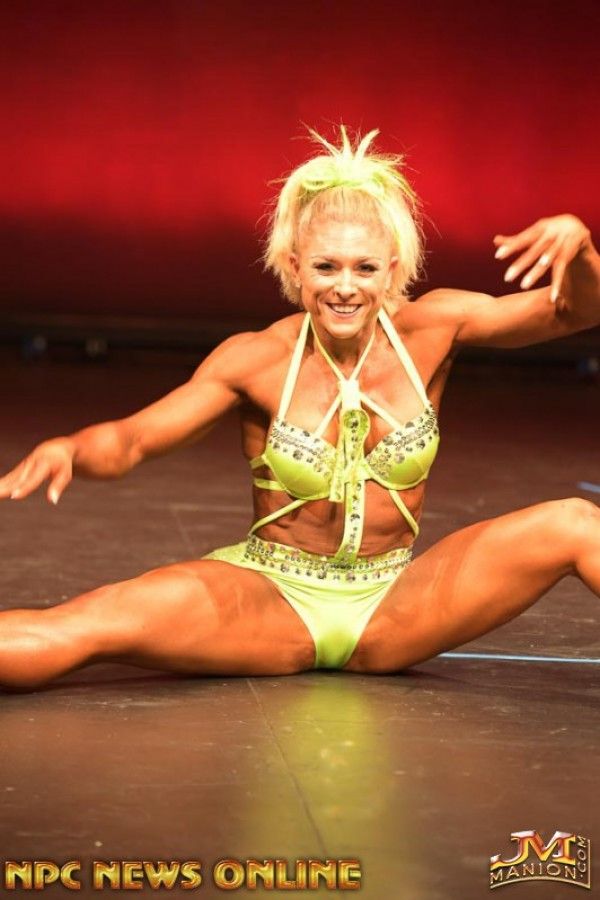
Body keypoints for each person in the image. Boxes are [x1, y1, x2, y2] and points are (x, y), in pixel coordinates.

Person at [1, 126, 599, 692]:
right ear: (295, 266)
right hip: (271, 599)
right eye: (326, 267)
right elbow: (133, 440)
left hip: (397, 605)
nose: (346, 287)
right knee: (85, 625)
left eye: (365, 268)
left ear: (392, 269)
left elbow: (576, 312)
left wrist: (580, 251)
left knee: (573, 524)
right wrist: (71, 450)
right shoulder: (256, 359)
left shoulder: (434, 329)